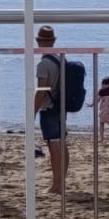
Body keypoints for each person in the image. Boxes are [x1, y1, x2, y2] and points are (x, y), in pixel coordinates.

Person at [33, 25, 69, 194]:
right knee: (62, 142)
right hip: (62, 106)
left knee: (53, 144)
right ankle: (62, 180)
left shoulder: (44, 63)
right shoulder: (61, 58)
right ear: (54, 41)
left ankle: (56, 185)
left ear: (38, 41)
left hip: (49, 107)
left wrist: (32, 110)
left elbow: (42, 90)